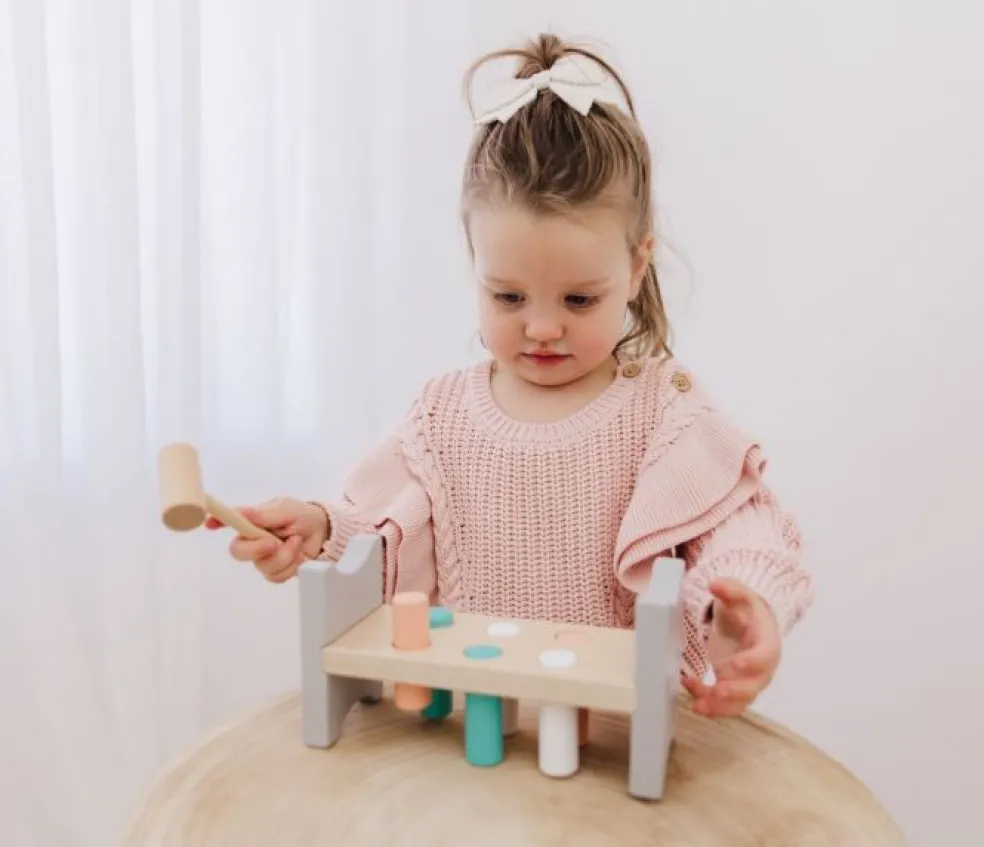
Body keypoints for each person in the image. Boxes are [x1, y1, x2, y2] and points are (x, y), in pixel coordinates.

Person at [208, 33, 814, 718]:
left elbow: (744, 527)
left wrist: (746, 597)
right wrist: (318, 531)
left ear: (637, 267)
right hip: (475, 741)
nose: (542, 327)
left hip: (610, 743)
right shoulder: (440, 416)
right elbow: (381, 539)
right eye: (508, 297)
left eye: (579, 299)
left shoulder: (661, 411)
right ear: (475, 264)